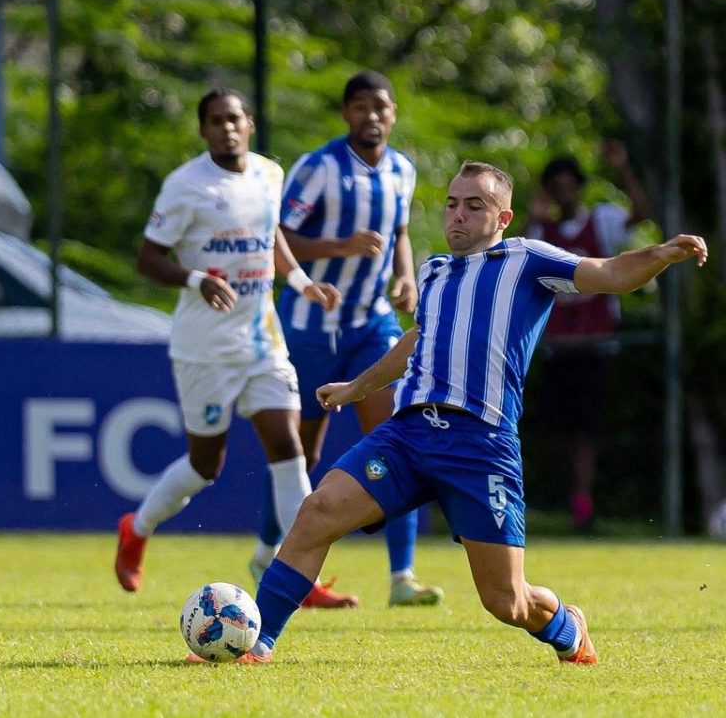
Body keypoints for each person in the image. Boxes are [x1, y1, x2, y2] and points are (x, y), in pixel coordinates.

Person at [229, 159, 706, 665]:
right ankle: (255, 645)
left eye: (474, 206)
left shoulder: (527, 260)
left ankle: (567, 625)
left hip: (481, 446)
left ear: (502, 218)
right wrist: (356, 387)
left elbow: (609, 273)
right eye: (453, 204)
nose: (458, 215)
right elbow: (418, 339)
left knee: (507, 601)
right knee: (317, 511)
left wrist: (659, 254)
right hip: (409, 435)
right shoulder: (434, 271)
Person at [113, 86, 354, 609]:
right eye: (216, 120)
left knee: (289, 451)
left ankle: (296, 575)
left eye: (235, 118)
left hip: (261, 339)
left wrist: (301, 283)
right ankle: (138, 526)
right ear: (203, 131)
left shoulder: (270, 173)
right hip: (205, 348)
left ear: (248, 125)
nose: (226, 127)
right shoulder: (185, 186)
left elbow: (270, 238)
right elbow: (147, 259)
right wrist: (196, 277)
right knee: (206, 466)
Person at [250, 70, 444, 607]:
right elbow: (279, 239)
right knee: (302, 453)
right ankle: (270, 550)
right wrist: (340, 246)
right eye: (360, 107)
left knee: (398, 437)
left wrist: (404, 276)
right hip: (313, 328)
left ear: (394, 113)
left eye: (379, 107)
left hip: (373, 324)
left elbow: (400, 233)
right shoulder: (318, 168)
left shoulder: (402, 171)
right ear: (346, 114)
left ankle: (401, 576)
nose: (371, 116)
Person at [526, 139, 652, 529]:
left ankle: (583, 502)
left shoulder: (603, 221)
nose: (564, 192)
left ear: (579, 187)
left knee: (586, 431)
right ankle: (562, 500)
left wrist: (622, 168)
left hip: (595, 347)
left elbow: (642, 214)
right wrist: (533, 213)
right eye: (555, 185)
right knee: (557, 432)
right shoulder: (539, 232)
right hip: (555, 349)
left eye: (570, 184)